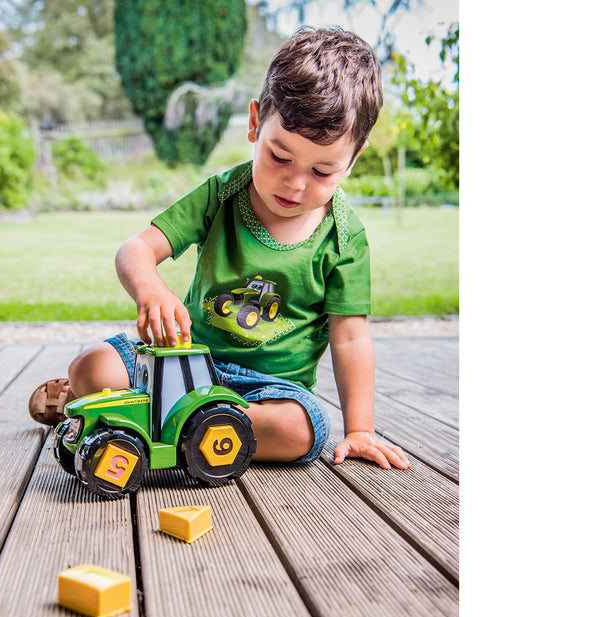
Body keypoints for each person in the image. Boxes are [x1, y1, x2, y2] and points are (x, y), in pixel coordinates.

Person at [29, 26, 409, 470]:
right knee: (91, 367)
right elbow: (135, 249)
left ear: (354, 157)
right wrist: (151, 290)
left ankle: (168, 424)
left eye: (323, 171)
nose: (295, 182)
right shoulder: (221, 195)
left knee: (301, 431)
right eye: (280, 157)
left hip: (268, 390)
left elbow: (350, 337)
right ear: (254, 124)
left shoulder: (344, 239)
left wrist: (360, 429)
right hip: (185, 362)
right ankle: (125, 411)